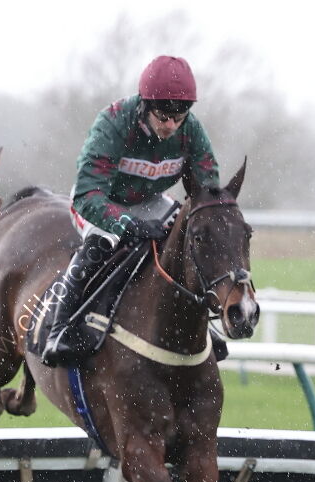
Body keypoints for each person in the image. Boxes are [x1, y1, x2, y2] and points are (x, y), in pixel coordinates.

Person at [41, 55, 221, 367]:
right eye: (163, 117)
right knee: (100, 245)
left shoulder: (190, 129)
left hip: (149, 200)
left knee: (185, 237)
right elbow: (87, 192)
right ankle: (60, 328)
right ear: (145, 105)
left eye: (178, 119)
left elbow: (208, 191)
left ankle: (206, 325)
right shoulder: (113, 122)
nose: (171, 126)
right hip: (98, 200)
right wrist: (127, 223)